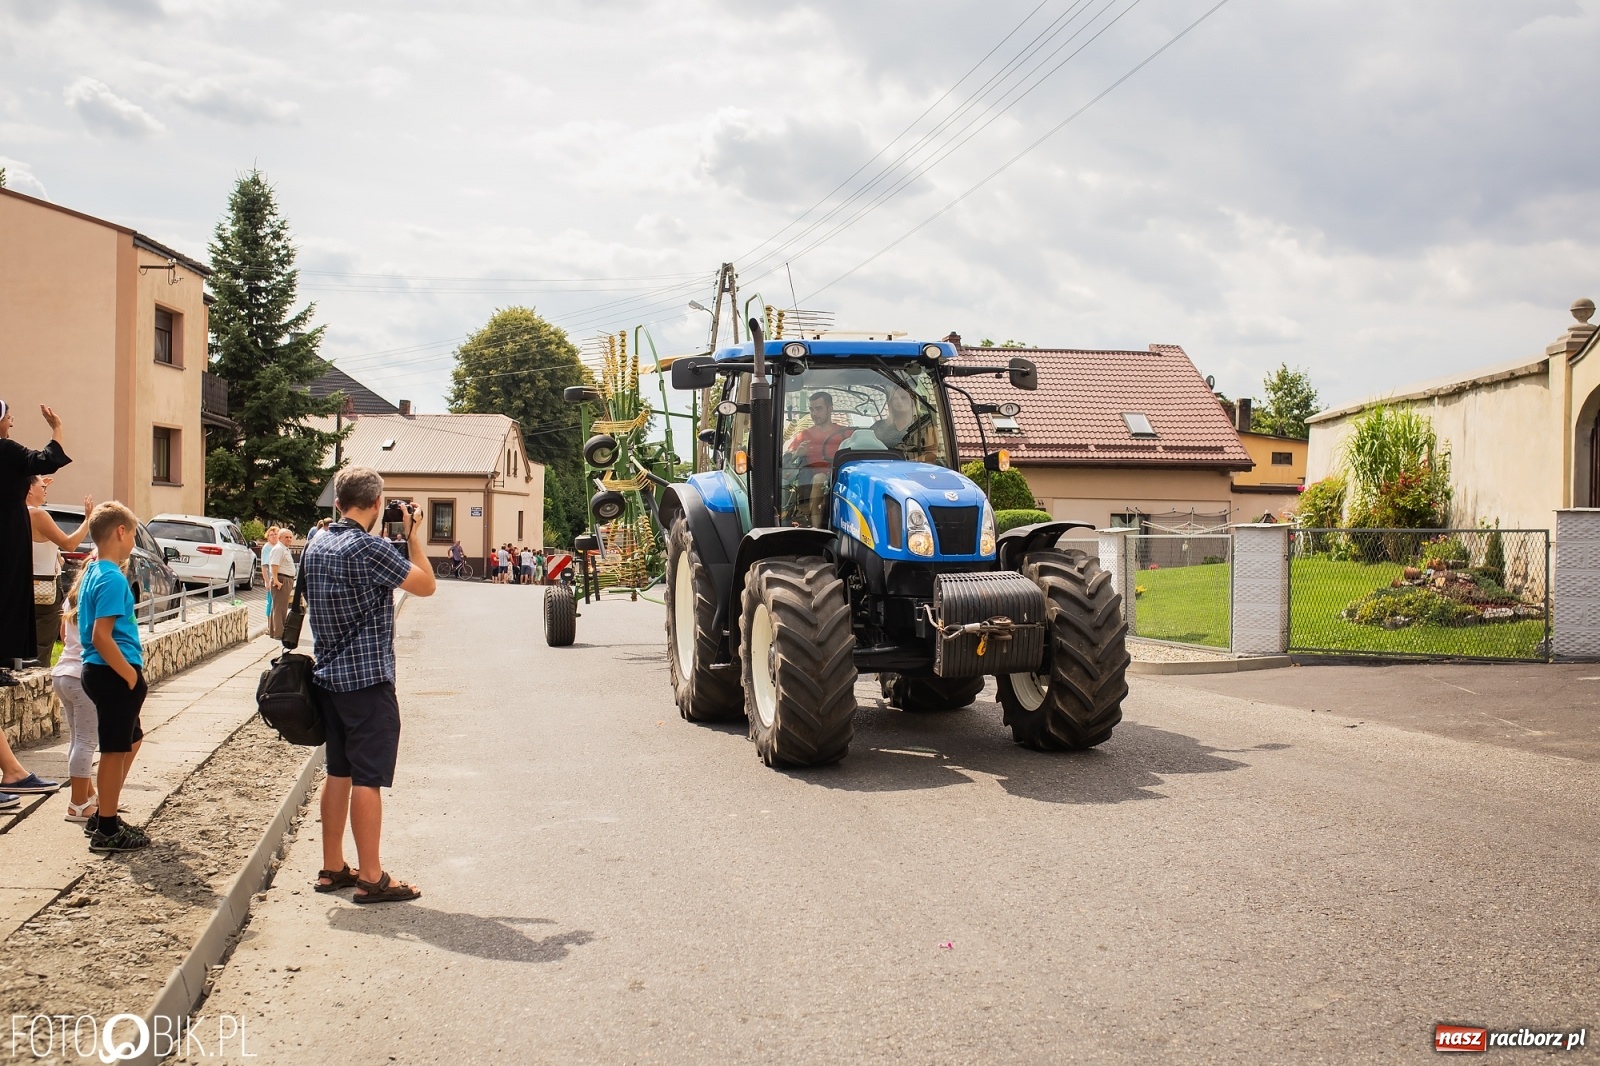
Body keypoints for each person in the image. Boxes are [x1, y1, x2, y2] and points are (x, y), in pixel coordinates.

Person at [300, 465, 435, 903]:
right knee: (368, 779)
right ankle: (372, 876)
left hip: (327, 679)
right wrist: (414, 534)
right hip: (367, 681)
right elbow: (426, 585)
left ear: (338, 502)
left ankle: (332, 866)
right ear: (377, 504)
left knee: (338, 771)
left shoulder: (315, 543)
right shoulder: (370, 549)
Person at [78, 502, 150, 852]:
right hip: (112, 671)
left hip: (105, 671)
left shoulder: (95, 569)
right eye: (134, 533)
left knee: (131, 739)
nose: (134, 540)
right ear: (121, 532)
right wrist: (130, 676)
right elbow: (100, 636)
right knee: (113, 748)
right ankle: (106, 827)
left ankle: (105, 811)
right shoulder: (109, 577)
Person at [0, 401, 72, 685]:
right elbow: (47, 460)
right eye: (8, 416)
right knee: (7, 592)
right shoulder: (6, 450)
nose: (12, 422)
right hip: (7, 530)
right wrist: (57, 428)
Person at [28, 474, 93, 662]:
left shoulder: (13, 512)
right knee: (40, 647)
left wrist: (36, 484)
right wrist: (88, 520)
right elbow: (70, 544)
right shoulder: (38, 515)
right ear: (29, 489)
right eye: (42, 487)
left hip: (20, 587)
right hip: (43, 591)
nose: (46, 490)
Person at [55, 565, 97, 822]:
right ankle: (78, 804)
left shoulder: (72, 598)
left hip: (62, 673)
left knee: (77, 739)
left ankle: (88, 795)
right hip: (82, 676)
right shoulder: (96, 597)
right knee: (86, 742)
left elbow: (62, 635)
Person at [784, 391, 852, 527]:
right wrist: (798, 453)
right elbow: (785, 461)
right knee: (819, 478)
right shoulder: (804, 435)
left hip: (844, 476)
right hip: (813, 480)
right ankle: (817, 528)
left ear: (830, 408)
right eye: (811, 409)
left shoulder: (847, 433)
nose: (814, 413)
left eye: (818, 409)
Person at [871, 384, 938, 463]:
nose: (899, 401)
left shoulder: (924, 426)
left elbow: (932, 455)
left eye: (903, 398)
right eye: (895, 398)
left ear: (912, 401)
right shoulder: (878, 427)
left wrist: (906, 464)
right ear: (890, 402)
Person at [267, 525, 298, 639]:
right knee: (279, 608)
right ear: (280, 538)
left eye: (290, 537)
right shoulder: (279, 548)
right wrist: (275, 580)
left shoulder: (284, 548)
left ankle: (276, 631)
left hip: (285, 579)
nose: (289, 539)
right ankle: (279, 633)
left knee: (280, 607)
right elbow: (274, 565)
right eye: (286, 537)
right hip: (281, 579)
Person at [260, 527, 279, 622]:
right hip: (271, 578)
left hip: (279, 578)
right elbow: (264, 566)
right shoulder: (267, 548)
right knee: (270, 601)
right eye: (271, 535)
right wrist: (267, 581)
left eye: (276, 534)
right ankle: (269, 624)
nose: (274, 536)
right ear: (268, 537)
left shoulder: (279, 546)